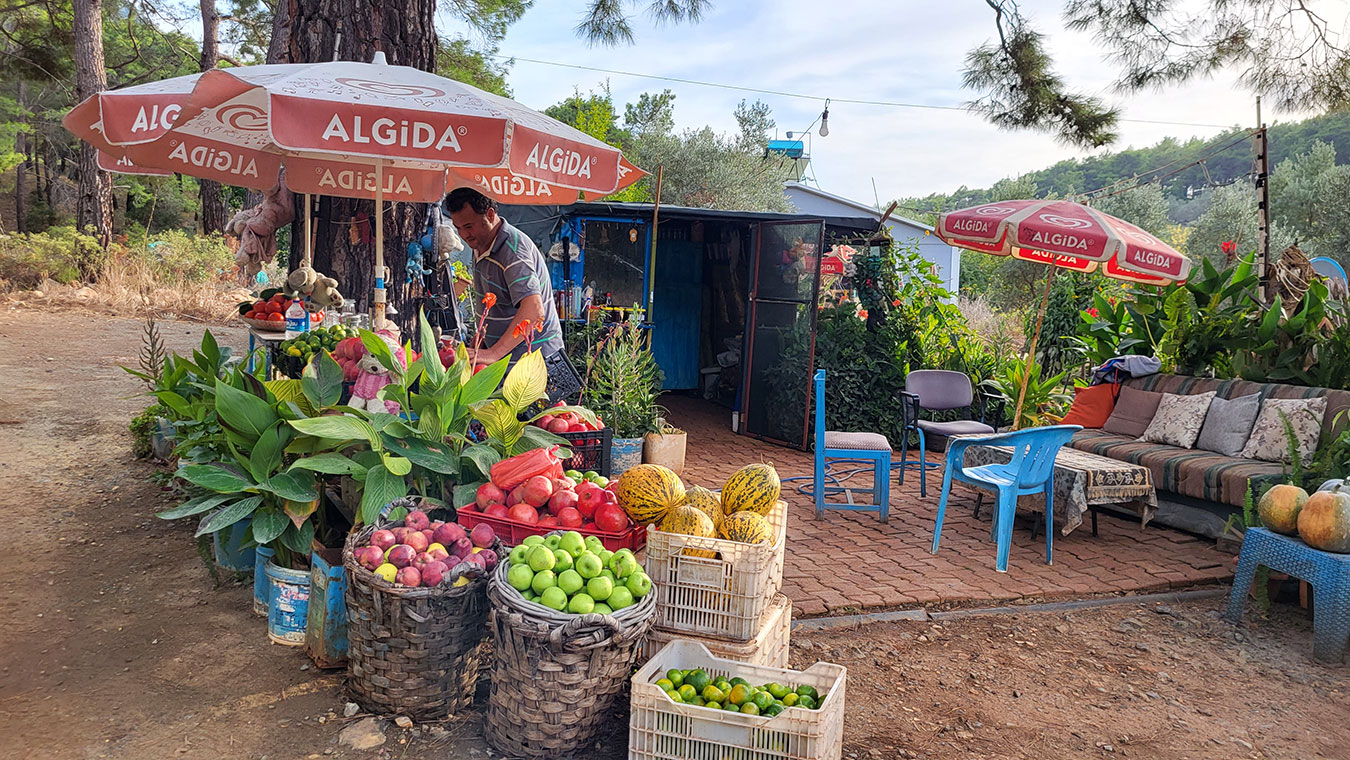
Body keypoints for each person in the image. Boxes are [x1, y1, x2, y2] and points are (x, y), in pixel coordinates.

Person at [444, 187, 565, 366]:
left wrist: (493, 353)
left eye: (469, 226)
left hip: (536, 362)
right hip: (507, 361)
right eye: (458, 228)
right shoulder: (481, 244)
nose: (463, 235)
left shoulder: (513, 252)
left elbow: (534, 310)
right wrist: (482, 340)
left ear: (490, 215)